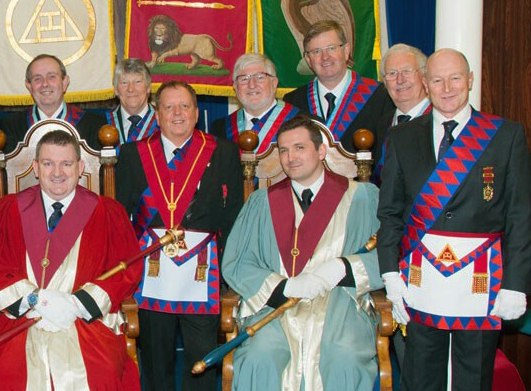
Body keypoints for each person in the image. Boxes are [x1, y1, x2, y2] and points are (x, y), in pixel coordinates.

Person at [377, 48, 531, 391]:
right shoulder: (402, 137)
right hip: (420, 279)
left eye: (455, 78)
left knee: (473, 377)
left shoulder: (505, 135)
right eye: (437, 79)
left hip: (480, 281)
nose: (447, 88)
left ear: (471, 80)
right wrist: (390, 273)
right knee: (419, 375)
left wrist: (516, 284)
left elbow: (521, 215)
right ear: (425, 84)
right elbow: (389, 213)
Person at [0, 130, 142, 390]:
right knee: (7, 377)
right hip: (23, 320)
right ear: (35, 168)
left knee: (102, 374)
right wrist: (37, 300)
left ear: (81, 167)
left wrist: (77, 304)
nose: (57, 173)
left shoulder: (107, 213)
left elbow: (125, 271)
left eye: (66, 164)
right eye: (48, 163)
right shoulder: (10, 210)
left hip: (85, 322)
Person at [222, 115, 382, 390]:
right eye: (283, 150)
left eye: (299, 148)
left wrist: (345, 268)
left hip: (338, 302)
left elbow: (387, 254)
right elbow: (238, 261)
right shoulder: (262, 203)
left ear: (321, 151)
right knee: (260, 357)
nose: (290, 157)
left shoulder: (360, 197)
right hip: (276, 307)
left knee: (345, 358)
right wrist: (282, 285)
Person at [115, 81, 244, 391]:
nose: (177, 113)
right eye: (168, 107)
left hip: (203, 271)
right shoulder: (134, 153)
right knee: (156, 359)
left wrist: (227, 269)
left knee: (201, 359)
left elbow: (233, 215)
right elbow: (121, 216)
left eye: (184, 106)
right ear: (156, 115)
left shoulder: (222, 151)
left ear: (197, 113)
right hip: (151, 270)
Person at [283, 20, 394, 152]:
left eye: (331, 48)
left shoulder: (380, 95)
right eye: (316, 51)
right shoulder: (292, 102)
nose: (325, 57)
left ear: (346, 51)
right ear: (308, 60)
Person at [0, 54, 108, 151]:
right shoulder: (11, 126)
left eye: (52, 76)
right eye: (37, 79)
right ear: (29, 86)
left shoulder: (94, 124)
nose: (45, 84)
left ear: (65, 82)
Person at [209, 53, 299, 152]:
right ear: (235, 87)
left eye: (260, 77)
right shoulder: (220, 128)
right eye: (244, 79)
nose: (252, 85)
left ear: (274, 83)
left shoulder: (299, 121)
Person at [374, 44, 431, 175]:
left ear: (424, 75)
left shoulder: (438, 120)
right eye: (392, 73)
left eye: (407, 71)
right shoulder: (382, 124)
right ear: (385, 82)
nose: (400, 80)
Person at [106, 58, 159, 146]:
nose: (131, 89)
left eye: (137, 82)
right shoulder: (102, 124)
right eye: (124, 82)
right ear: (115, 89)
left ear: (148, 87)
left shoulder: (163, 122)